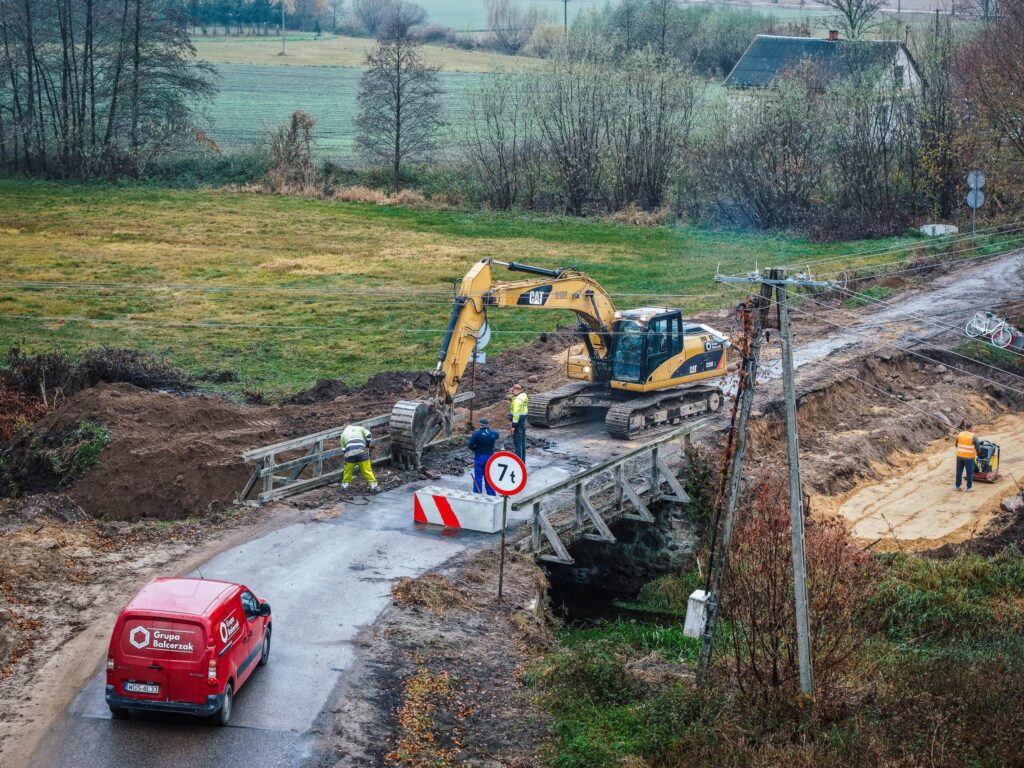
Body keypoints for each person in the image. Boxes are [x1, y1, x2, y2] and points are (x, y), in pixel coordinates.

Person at [340, 423, 379, 492]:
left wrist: (349, 457)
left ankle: (345, 485)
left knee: (348, 470)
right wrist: (367, 445)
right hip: (362, 451)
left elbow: (343, 450)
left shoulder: (343, 434)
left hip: (350, 453)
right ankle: (374, 485)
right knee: (367, 469)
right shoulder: (360, 428)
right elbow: (369, 435)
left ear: (344, 428)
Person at [467, 417, 499, 495]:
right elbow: (497, 436)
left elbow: (470, 446)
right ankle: (491, 495)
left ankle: (477, 494)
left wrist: (476, 449)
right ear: (488, 425)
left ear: (480, 425)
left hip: (480, 457)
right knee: (489, 477)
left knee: (478, 478)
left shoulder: (476, 434)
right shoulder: (494, 434)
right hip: (490, 457)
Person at [954, 420, 982, 493]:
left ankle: (957, 486)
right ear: (971, 428)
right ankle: (968, 488)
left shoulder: (960, 434)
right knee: (969, 472)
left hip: (959, 456)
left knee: (959, 472)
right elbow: (978, 448)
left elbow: (956, 445)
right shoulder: (973, 437)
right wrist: (978, 455)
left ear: (965, 427)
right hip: (969, 458)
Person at [508, 383, 529, 463]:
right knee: (522, 443)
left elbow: (516, 415)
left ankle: (518, 463)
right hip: (523, 421)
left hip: (518, 423)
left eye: (513, 390)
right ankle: (522, 462)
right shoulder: (523, 396)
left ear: (516, 390)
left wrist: (513, 426)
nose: (512, 392)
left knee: (517, 444)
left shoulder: (517, 400)